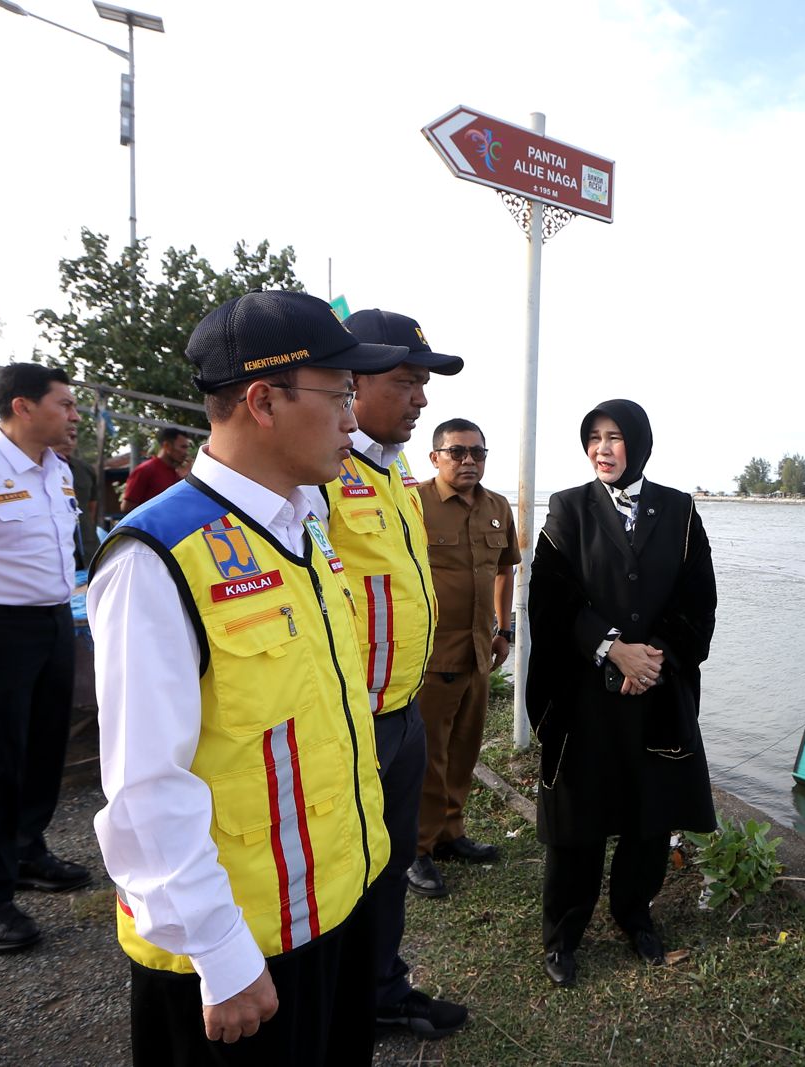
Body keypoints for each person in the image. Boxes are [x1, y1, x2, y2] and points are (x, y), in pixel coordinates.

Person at [87, 291, 400, 1063]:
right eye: (340, 395)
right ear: (262, 400)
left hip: (334, 909)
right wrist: (222, 955)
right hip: (242, 954)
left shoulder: (305, 526)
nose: (353, 421)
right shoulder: (156, 557)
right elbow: (144, 791)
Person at [310, 308, 467, 1039]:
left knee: (390, 860)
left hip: (401, 711)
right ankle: (343, 997)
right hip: (352, 721)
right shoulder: (319, 476)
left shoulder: (392, 463)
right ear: (354, 382)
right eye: (408, 381)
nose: (422, 398)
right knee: (346, 871)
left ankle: (379, 986)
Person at [527, 399, 717, 988]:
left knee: (649, 816)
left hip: (657, 693)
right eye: (593, 438)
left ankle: (635, 914)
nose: (602, 448)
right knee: (578, 821)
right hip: (586, 696)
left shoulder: (681, 512)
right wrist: (613, 648)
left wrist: (653, 657)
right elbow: (552, 600)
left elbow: (698, 599)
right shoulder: (568, 510)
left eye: (614, 437)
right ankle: (563, 935)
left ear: (638, 442)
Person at [0, 363, 90, 955]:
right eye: (64, 404)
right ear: (22, 407)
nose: (74, 414)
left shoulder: (58, 471)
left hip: (53, 619)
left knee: (43, 744)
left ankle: (24, 849)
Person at [415, 418, 519, 891]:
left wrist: (504, 630)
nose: (469, 461)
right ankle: (417, 849)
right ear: (435, 456)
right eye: (457, 452)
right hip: (431, 654)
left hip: (480, 651)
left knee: (463, 749)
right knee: (428, 756)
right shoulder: (413, 504)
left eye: (478, 452)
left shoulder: (496, 507)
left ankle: (450, 833)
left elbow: (504, 570)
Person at [53, 421, 100, 567]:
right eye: (63, 437)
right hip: (57, 548)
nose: (68, 442)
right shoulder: (38, 468)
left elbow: (92, 507)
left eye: (73, 437)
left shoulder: (85, 469)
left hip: (88, 544)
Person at [121, 425, 191, 511]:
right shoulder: (145, 470)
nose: (186, 452)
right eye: (183, 447)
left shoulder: (174, 473)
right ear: (167, 446)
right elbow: (126, 507)